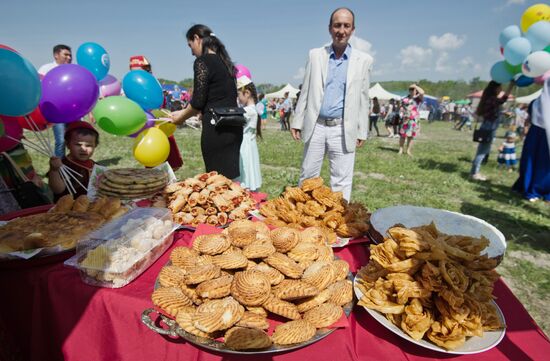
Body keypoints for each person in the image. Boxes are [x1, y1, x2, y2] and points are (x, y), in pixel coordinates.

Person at [291, 7, 372, 201]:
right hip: (316, 125)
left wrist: (362, 130)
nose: (341, 30)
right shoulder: (315, 55)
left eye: (346, 26)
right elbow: (307, 89)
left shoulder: (364, 60)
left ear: (353, 29)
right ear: (330, 28)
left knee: (341, 181)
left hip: (343, 128)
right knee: (308, 176)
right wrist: (297, 120)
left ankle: (338, 222)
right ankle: (304, 221)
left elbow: (363, 97)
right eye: (337, 25)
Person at [170, 25, 243, 179]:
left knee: (215, 183)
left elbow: (198, 102)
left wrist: (180, 118)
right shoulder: (226, 63)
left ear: (197, 38)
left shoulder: (202, 62)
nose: (191, 52)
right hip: (234, 128)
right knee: (231, 181)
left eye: (190, 45)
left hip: (216, 129)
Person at [129, 55, 184, 171]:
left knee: (171, 165)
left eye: (144, 69)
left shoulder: (152, 82)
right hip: (146, 129)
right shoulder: (131, 85)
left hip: (161, 126)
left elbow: (160, 103)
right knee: (152, 164)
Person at [513, 79, 550, 202]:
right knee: (533, 161)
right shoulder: (537, 102)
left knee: (541, 163)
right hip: (537, 133)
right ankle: (531, 188)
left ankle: (538, 189)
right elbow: (528, 118)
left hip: (538, 134)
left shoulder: (536, 102)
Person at [470, 80, 515, 181]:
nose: (501, 89)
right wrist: (511, 85)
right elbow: (503, 99)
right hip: (489, 128)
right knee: (482, 152)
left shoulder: (488, 99)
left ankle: (475, 172)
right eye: (500, 87)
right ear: (495, 89)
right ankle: (474, 173)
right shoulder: (492, 99)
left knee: (482, 151)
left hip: (488, 126)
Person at [48, 121, 98, 201]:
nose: (83, 149)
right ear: (67, 144)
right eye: (78, 145)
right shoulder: (63, 165)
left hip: (91, 208)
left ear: (95, 145)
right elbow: (58, 190)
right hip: (68, 209)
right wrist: (54, 171)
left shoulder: (95, 166)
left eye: (88, 145)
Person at [38, 44, 72, 158]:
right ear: (56, 55)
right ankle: (60, 167)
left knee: (73, 138)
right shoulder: (45, 69)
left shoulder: (73, 70)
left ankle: (73, 163)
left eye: (70, 55)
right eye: (66, 54)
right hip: (56, 111)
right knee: (61, 140)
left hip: (71, 110)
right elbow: (39, 88)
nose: (69, 57)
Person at [236, 76, 262, 191]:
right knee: (249, 166)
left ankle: (246, 189)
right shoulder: (252, 109)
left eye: (239, 95)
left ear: (246, 93)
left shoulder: (248, 111)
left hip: (245, 144)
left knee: (245, 167)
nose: (238, 99)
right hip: (249, 143)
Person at [398, 84, 424, 155]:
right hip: (405, 119)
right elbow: (401, 108)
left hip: (414, 120)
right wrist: (401, 114)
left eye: (414, 89)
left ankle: (408, 151)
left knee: (411, 136)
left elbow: (422, 92)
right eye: (411, 89)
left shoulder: (418, 98)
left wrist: (415, 86)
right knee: (403, 135)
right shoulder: (404, 98)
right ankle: (400, 150)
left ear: (416, 90)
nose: (412, 90)